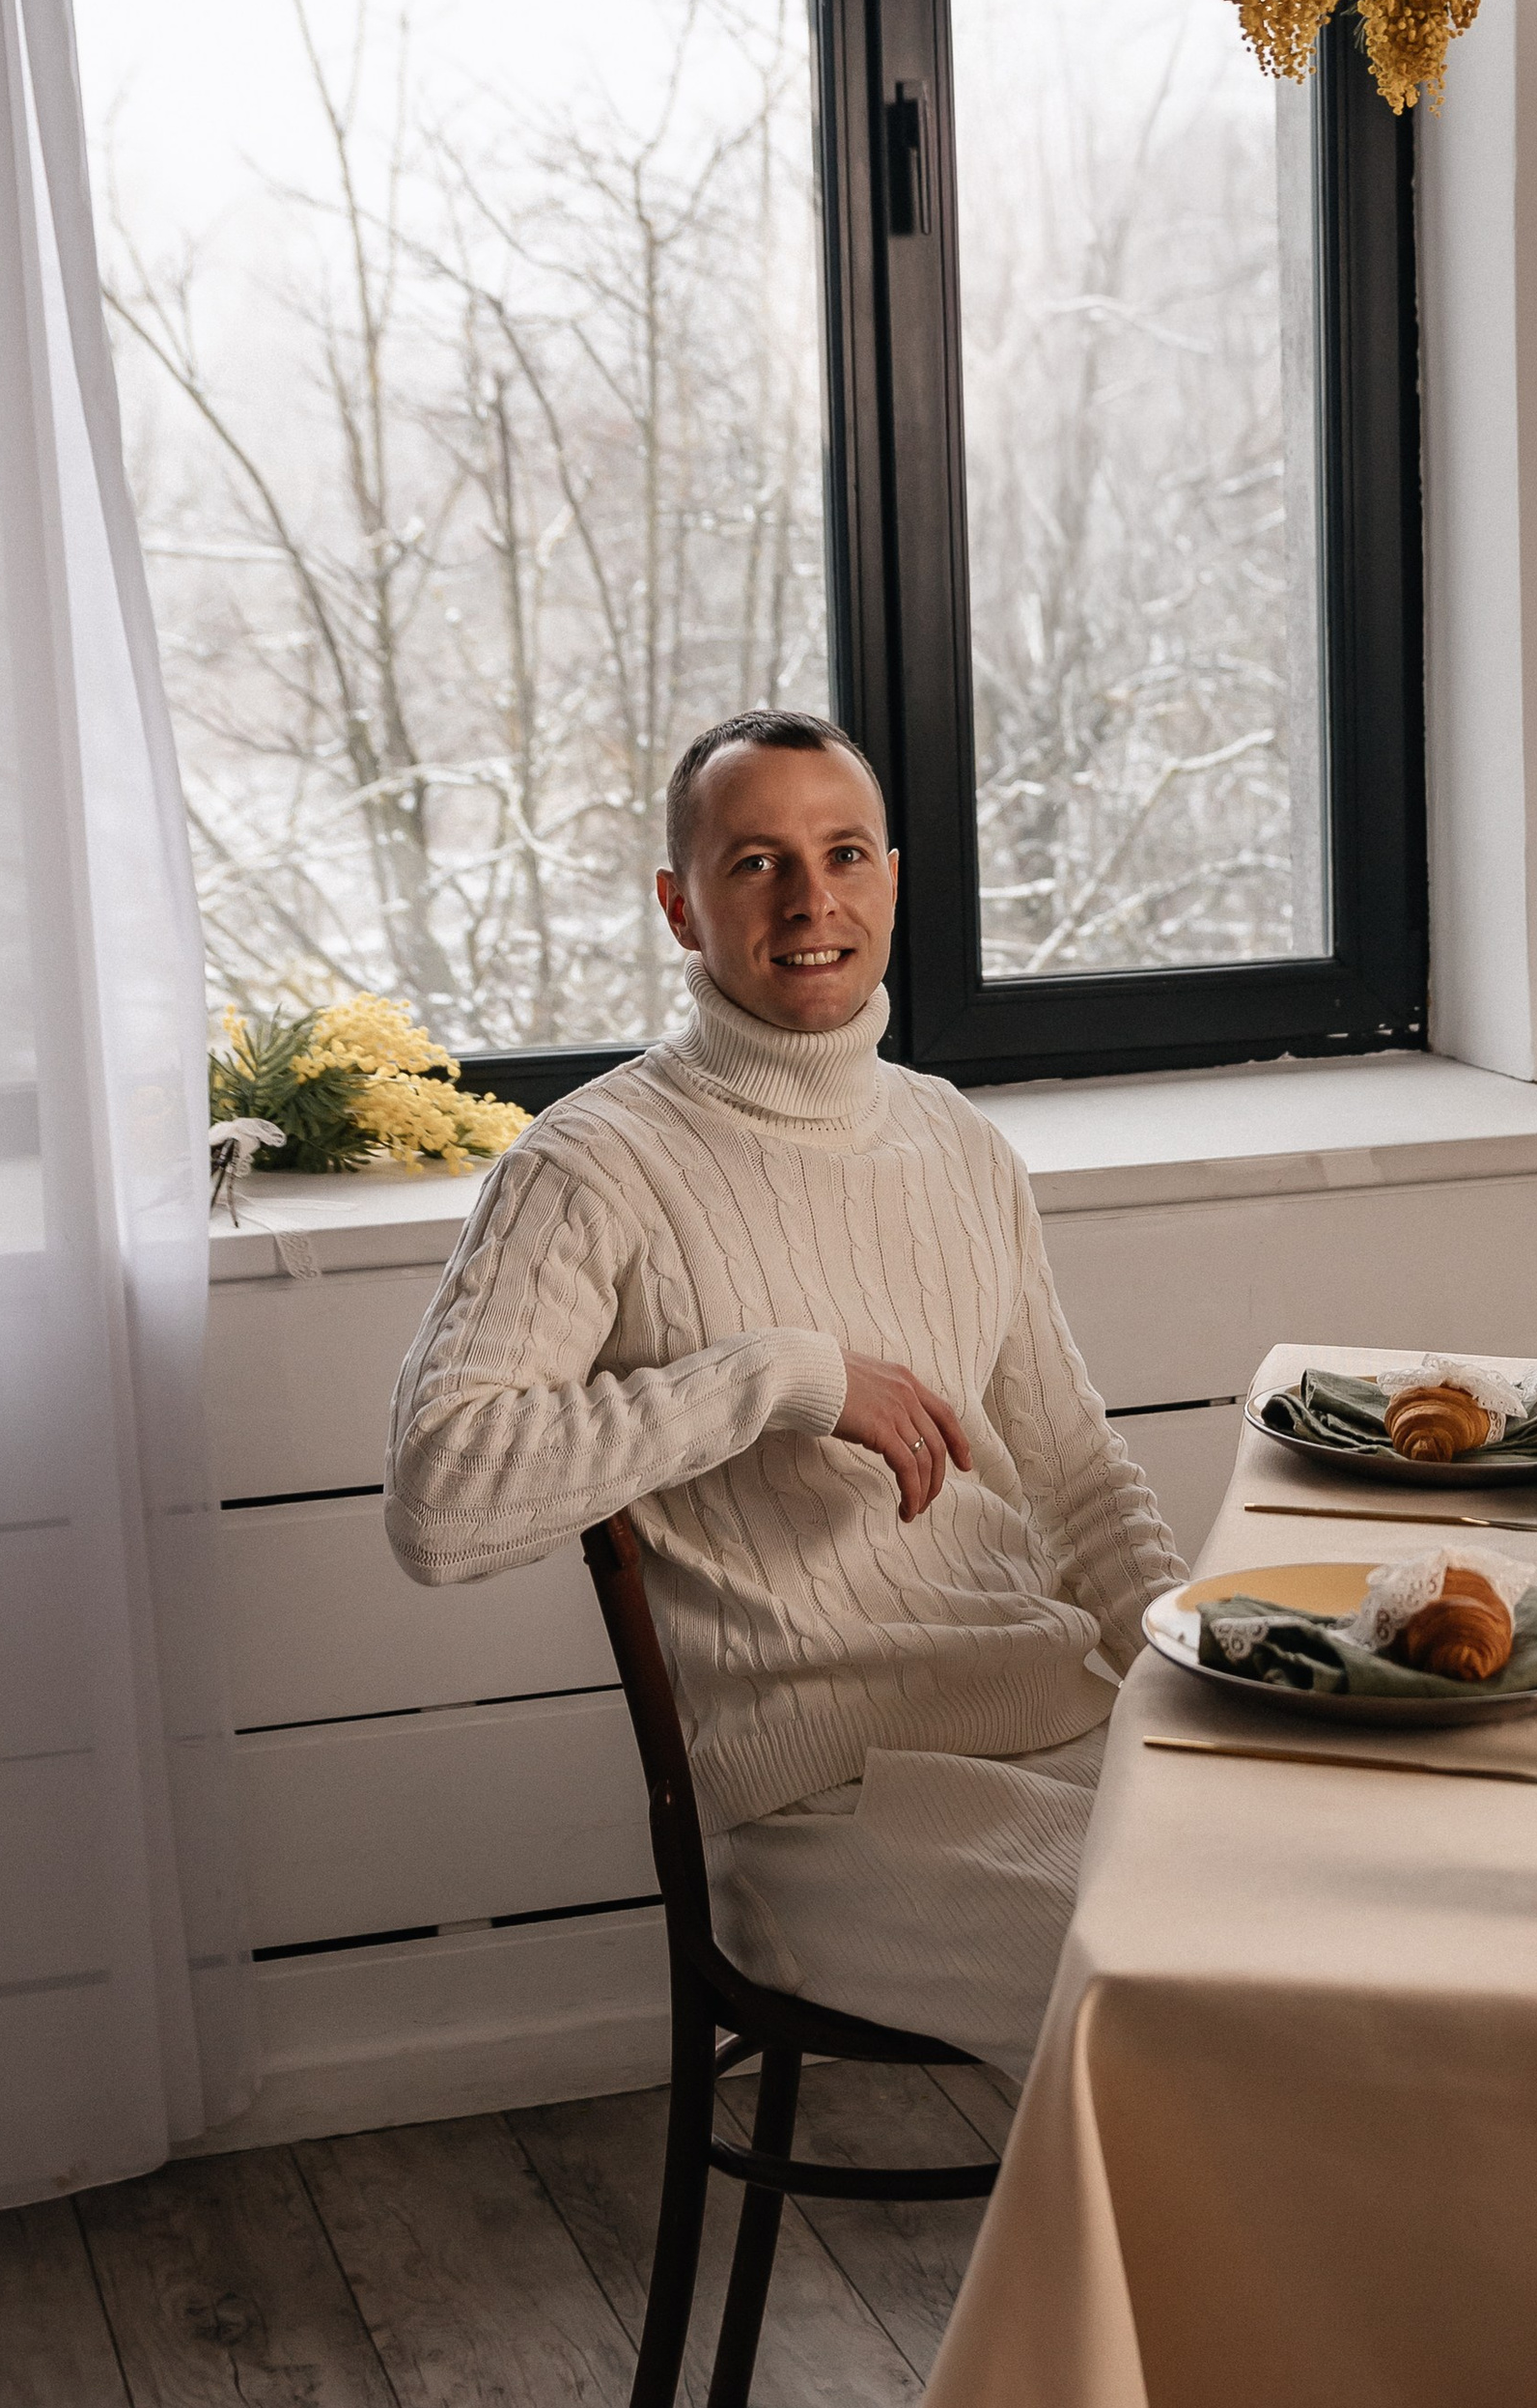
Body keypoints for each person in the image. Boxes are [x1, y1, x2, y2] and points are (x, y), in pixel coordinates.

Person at [383, 708, 1185, 2076]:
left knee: (1350, 1923)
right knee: (1182, 2004)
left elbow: (1075, 1471)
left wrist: (1193, 1669)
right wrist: (778, 1376)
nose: (813, 900)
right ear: (678, 908)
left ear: (890, 877)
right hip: (825, 1804)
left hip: (1071, 1718)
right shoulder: (593, 1165)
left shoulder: (957, 1141)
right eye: (757, 863)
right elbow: (441, 1502)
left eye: (845, 853)